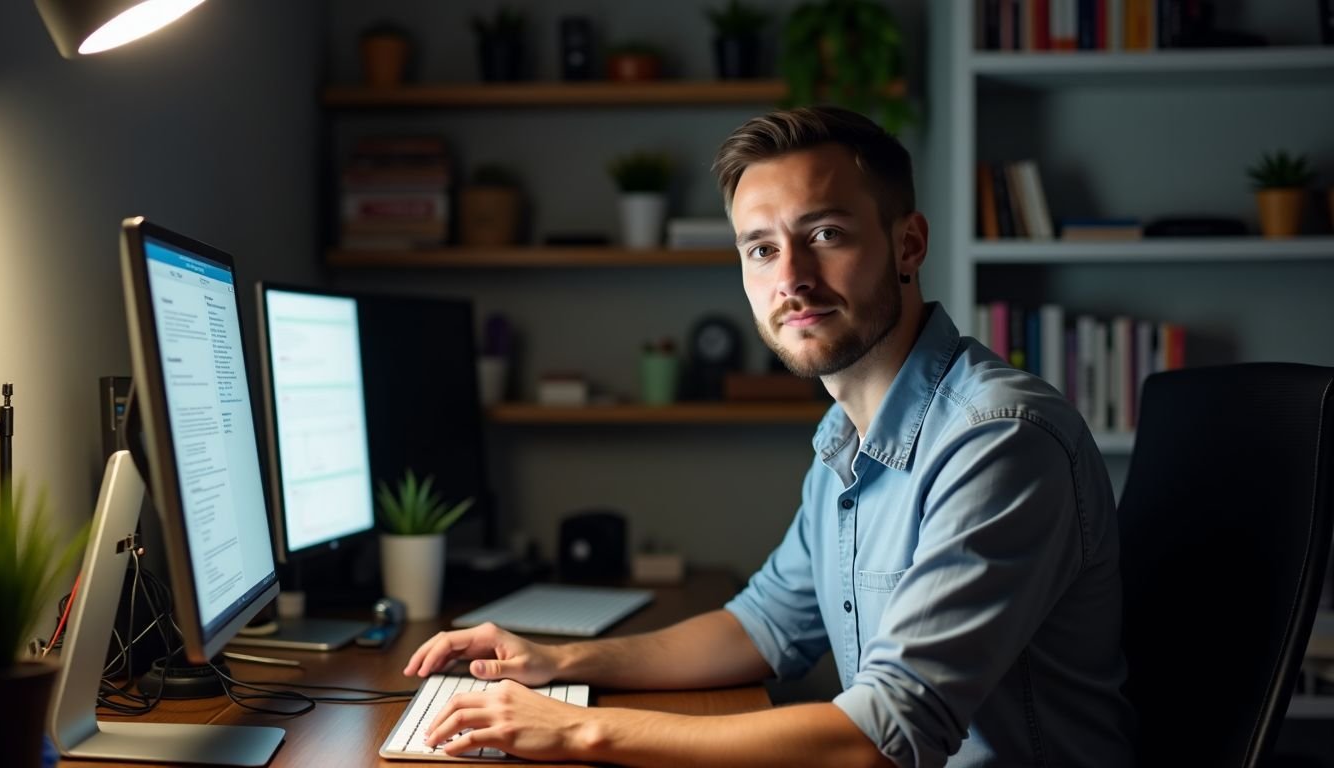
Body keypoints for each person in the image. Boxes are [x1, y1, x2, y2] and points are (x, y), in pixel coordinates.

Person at [404, 106, 1137, 767]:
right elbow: (759, 628)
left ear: (908, 244)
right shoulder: (846, 442)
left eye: (825, 234)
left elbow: (886, 734)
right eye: (760, 249)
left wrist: (579, 730)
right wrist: (555, 661)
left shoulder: (999, 441)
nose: (792, 277)